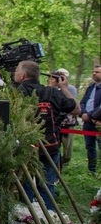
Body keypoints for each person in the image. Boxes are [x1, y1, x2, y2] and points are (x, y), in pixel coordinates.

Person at [13, 61, 79, 209]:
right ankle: (50, 217)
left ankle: (28, 219)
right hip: (49, 147)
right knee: (47, 187)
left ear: (23, 75)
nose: (14, 73)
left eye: (16, 71)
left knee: (26, 187)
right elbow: (76, 109)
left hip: (24, 149)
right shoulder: (52, 93)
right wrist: (63, 88)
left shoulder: (14, 92)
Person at [79, 65, 101, 173]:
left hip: (98, 122)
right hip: (87, 122)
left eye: (97, 72)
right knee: (90, 147)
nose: (94, 73)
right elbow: (83, 101)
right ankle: (91, 170)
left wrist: (91, 115)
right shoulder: (91, 87)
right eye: (93, 71)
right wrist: (83, 113)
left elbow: (99, 107)